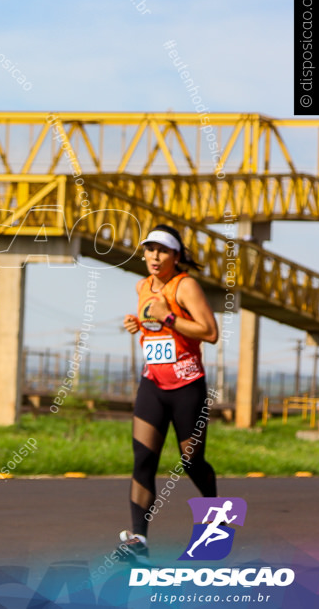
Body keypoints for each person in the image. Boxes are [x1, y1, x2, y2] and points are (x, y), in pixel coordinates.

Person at [120, 224, 219, 561]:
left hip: (187, 386)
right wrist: (138, 322)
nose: (154, 256)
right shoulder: (142, 286)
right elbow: (154, 324)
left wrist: (169, 316)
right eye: (149, 249)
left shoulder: (185, 286)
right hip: (153, 383)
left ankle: (214, 515)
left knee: (191, 461)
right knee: (143, 458)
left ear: (176, 256)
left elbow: (209, 332)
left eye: (162, 250)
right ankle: (139, 540)